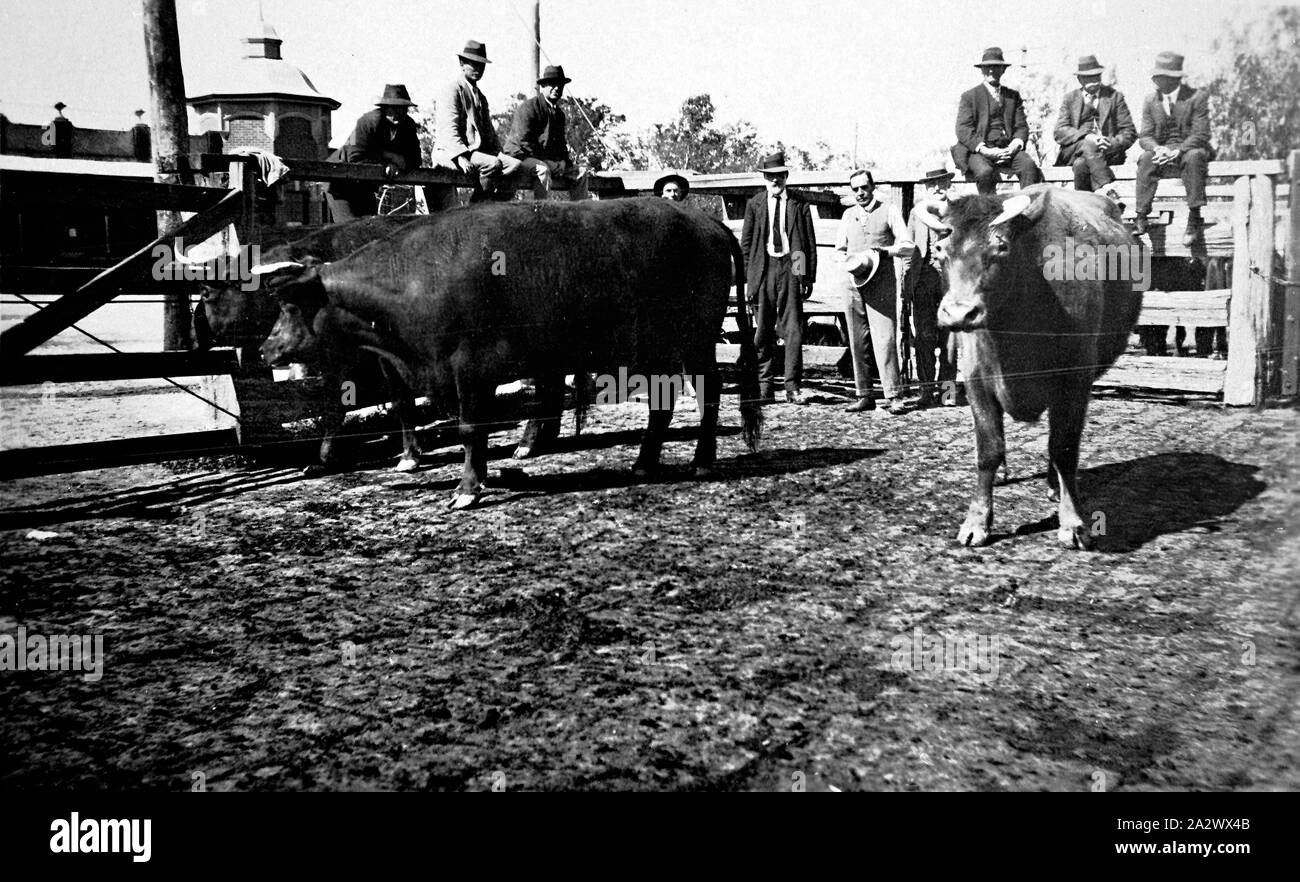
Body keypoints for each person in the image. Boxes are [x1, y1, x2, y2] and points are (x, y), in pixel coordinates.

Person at [834, 169, 914, 414]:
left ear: (873, 187)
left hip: (881, 281)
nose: (860, 193)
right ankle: (864, 394)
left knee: (885, 338)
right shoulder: (848, 215)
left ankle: (893, 395)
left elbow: (908, 246)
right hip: (853, 282)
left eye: (864, 188)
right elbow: (839, 249)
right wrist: (847, 267)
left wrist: (886, 252)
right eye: (855, 189)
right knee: (857, 340)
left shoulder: (888, 210)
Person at [740, 151, 817, 405]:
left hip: (791, 267)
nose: (775, 181)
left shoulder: (798, 204)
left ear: (786, 176)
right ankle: (765, 386)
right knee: (762, 330)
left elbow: (807, 243)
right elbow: (747, 242)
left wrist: (807, 277)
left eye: (779, 176)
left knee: (793, 329)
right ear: (764, 178)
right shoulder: (755, 204)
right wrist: (747, 278)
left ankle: (792, 387)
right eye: (770, 177)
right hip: (764, 269)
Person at [1134, 51, 1215, 245]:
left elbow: (1201, 134)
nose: (1157, 81)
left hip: (1189, 148)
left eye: (1162, 77)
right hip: (1163, 150)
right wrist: (1158, 149)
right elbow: (1145, 135)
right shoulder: (1150, 101)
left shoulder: (1197, 97)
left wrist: (1178, 151)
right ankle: (1141, 216)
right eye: (1156, 77)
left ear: (1175, 79)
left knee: (1194, 157)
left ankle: (1194, 216)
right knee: (1146, 158)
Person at [435, 41, 523, 199]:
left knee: (515, 166)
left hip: (477, 153)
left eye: (481, 65)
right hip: (451, 152)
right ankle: (477, 210)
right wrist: (460, 157)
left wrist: (500, 154)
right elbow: (448, 129)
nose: (478, 69)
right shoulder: (453, 90)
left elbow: (489, 132)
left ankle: (496, 209)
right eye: (473, 64)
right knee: (493, 164)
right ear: (462, 64)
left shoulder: (480, 96)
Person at [325, 84, 422, 221]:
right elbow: (355, 157)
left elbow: (416, 159)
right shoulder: (367, 122)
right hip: (340, 181)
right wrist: (388, 158)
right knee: (349, 229)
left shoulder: (408, 126)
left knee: (370, 226)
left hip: (366, 185)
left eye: (402, 108)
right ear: (384, 108)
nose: (397, 113)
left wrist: (401, 162)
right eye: (393, 108)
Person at [953, 47, 1042, 195]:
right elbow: (963, 129)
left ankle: (1027, 211)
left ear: (1003, 70)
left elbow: (1021, 127)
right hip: (980, 151)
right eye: (988, 67)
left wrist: (1014, 145)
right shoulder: (970, 96)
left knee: (1029, 166)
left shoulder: (1012, 96)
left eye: (996, 67)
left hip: (1008, 150)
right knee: (984, 172)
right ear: (982, 70)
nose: (991, 71)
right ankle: (990, 215)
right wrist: (985, 150)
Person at [903, 167, 958, 408]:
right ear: (926, 188)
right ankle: (926, 391)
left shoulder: (957, 212)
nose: (937, 188)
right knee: (924, 336)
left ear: (948, 183)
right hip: (923, 277)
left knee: (950, 338)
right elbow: (908, 249)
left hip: (951, 280)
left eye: (942, 182)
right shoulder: (918, 213)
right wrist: (906, 283)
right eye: (932, 184)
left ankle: (947, 392)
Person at [1052, 54, 1136, 196]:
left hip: (1107, 153)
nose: (1094, 80)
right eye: (1088, 77)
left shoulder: (1114, 97)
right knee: (1088, 144)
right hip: (1074, 150)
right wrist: (1088, 137)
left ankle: (1086, 209)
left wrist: (1111, 143)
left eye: (1096, 76)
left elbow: (1129, 132)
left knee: (1080, 165)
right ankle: (1108, 189)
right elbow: (1060, 131)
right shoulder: (1070, 99)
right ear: (1080, 79)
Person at [503, 65, 589, 201]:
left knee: (581, 173)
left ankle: (580, 215)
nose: (557, 88)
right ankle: (541, 214)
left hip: (547, 161)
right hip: (520, 157)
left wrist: (563, 162)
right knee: (542, 170)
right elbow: (524, 143)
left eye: (560, 85)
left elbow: (561, 145)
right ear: (542, 87)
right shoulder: (528, 108)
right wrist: (548, 162)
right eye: (552, 84)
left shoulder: (559, 114)